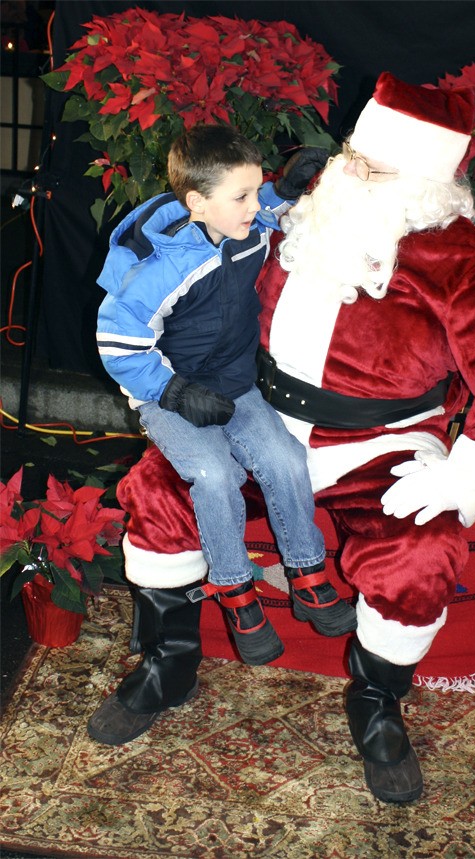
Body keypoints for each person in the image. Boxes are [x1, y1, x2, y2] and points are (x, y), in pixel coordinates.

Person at [89, 75, 475, 803]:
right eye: (353, 155)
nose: (352, 171)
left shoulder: (457, 255)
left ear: (424, 184)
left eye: (375, 167)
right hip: (259, 415)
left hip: (380, 441)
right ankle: (168, 661)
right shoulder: (308, 203)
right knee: (158, 491)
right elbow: (194, 238)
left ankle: (375, 703)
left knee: (423, 548)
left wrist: (462, 478)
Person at [91, 125, 356, 724]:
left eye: (255, 189)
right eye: (241, 195)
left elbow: (267, 213)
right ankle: (235, 589)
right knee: (213, 473)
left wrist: (287, 187)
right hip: (169, 393)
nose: (253, 203)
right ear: (197, 203)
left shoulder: (245, 222)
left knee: (287, 459)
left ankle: (308, 575)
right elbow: (117, 341)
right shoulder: (166, 266)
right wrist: (174, 391)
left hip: (234, 385)